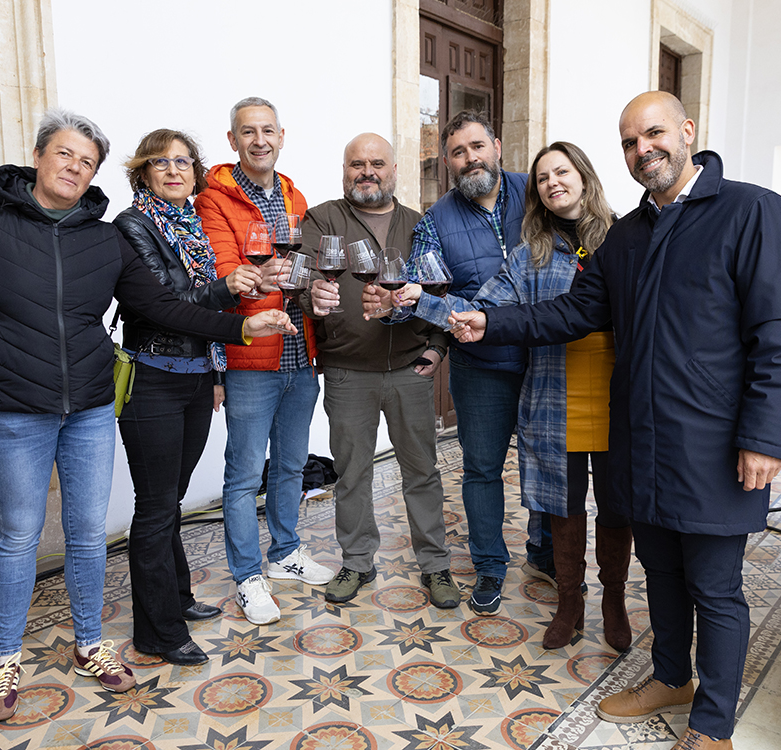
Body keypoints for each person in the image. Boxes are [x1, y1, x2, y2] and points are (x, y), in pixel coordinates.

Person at [450, 92, 781, 750]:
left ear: (688, 132)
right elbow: (572, 312)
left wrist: (765, 436)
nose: (643, 150)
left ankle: (712, 724)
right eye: (629, 142)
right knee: (662, 572)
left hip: (715, 443)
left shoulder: (752, 211)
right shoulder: (627, 236)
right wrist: (490, 321)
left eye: (654, 134)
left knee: (715, 587)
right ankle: (671, 676)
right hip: (641, 439)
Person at [0, 110, 294, 723]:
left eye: (86, 161)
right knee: (17, 537)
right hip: (15, 413)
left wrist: (238, 327)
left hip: (90, 405)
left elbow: (159, 306)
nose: (74, 167)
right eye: (64, 154)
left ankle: (91, 642)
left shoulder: (102, 235)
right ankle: (6, 657)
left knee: (89, 534)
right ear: (38, 157)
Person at [393, 141, 632, 647]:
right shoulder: (530, 257)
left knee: (617, 505)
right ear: (537, 194)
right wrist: (423, 303)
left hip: (621, 397)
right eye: (543, 179)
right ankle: (569, 603)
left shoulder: (627, 238)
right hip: (553, 396)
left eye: (561, 173)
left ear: (584, 176)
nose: (552, 184)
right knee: (561, 506)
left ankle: (613, 599)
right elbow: (478, 310)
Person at [363, 110, 556, 615]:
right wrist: (394, 311)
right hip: (482, 365)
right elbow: (421, 293)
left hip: (549, 359)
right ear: (446, 162)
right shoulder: (434, 223)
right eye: (458, 151)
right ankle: (490, 567)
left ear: (496, 145)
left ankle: (545, 551)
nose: (470, 158)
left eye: (477, 146)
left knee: (547, 462)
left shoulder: (537, 190)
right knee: (483, 470)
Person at [113, 129, 264, 665]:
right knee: (154, 509)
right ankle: (157, 633)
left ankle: (176, 599)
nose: (175, 170)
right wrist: (229, 292)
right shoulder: (132, 226)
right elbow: (165, 305)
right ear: (143, 172)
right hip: (153, 381)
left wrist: (217, 372)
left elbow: (202, 315)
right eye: (161, 162)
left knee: (169, 502)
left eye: (184, 162)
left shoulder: (194, 226)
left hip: (198, 377)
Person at [304, 133, 460, 608]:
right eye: (356, 164)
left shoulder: (419, 224)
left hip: (410, 370)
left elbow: (440, 290)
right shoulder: (324, 218)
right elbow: (305, 275)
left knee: (422, 471)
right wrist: (310, 291)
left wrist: (436, 347)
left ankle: (435, 566)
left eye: (376, 163)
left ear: (394, 170)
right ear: (345, 169)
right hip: (349, 372)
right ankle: (356, 562)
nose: (366, 171)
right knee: (352, 473)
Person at [195, 97, 331, 626]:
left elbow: (309, 266)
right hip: (251, 355)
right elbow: (228, 272)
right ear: (233, 140)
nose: (259, 140)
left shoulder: (295, 194)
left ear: (281, 135)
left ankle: (285, 553)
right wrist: (270, 274)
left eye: (268, 131)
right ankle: (248, 576)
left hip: (301, 353)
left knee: (292, 465)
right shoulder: (215, 199)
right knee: (244, 472)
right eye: (247, 132)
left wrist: (317, 285)